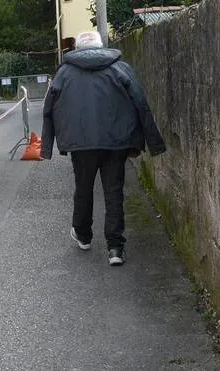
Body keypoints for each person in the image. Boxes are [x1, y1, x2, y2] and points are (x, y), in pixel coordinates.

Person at [40, 31, 166, 266]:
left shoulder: (64, 73)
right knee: (113, 192)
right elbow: (141, 103)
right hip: (115, 142)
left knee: (83, 189)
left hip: (80, 144)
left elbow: (48, 109)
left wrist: (48, 146)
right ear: (101, 46)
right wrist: (148, 142)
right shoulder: (120, 68)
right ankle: (115, 248)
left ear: (77, 48)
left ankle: (84, 235)